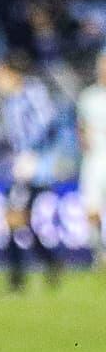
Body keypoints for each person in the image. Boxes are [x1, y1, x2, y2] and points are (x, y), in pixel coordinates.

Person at [0, 51, 71, 290]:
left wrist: (36, 155)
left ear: (12, 74)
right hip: (24, 164)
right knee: (19, 218)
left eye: (0, 76)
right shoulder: (11, 103)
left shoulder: (33, 93)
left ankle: (17, 280)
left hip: (38, 166)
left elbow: (49, 125)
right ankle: (49, 263)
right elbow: (12, 139)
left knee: (13, 217)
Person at [80, 50, 106, 271]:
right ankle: (99, 254)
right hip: (94, 159)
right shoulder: (88, 96)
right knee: (92, 208)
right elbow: (81, 126)